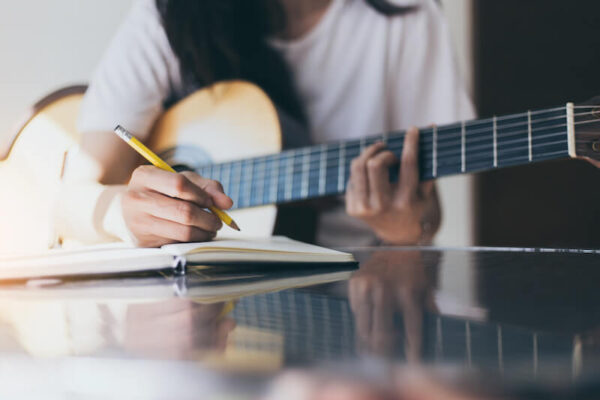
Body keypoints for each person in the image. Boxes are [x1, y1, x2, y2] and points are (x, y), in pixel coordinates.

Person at [58, 0, 474, 248]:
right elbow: (72, 202)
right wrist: (126, 216)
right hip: (203, 303)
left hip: (357, 290)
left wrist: (403, 229)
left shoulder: (408, 15)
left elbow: (426, 212)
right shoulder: (170, 16)